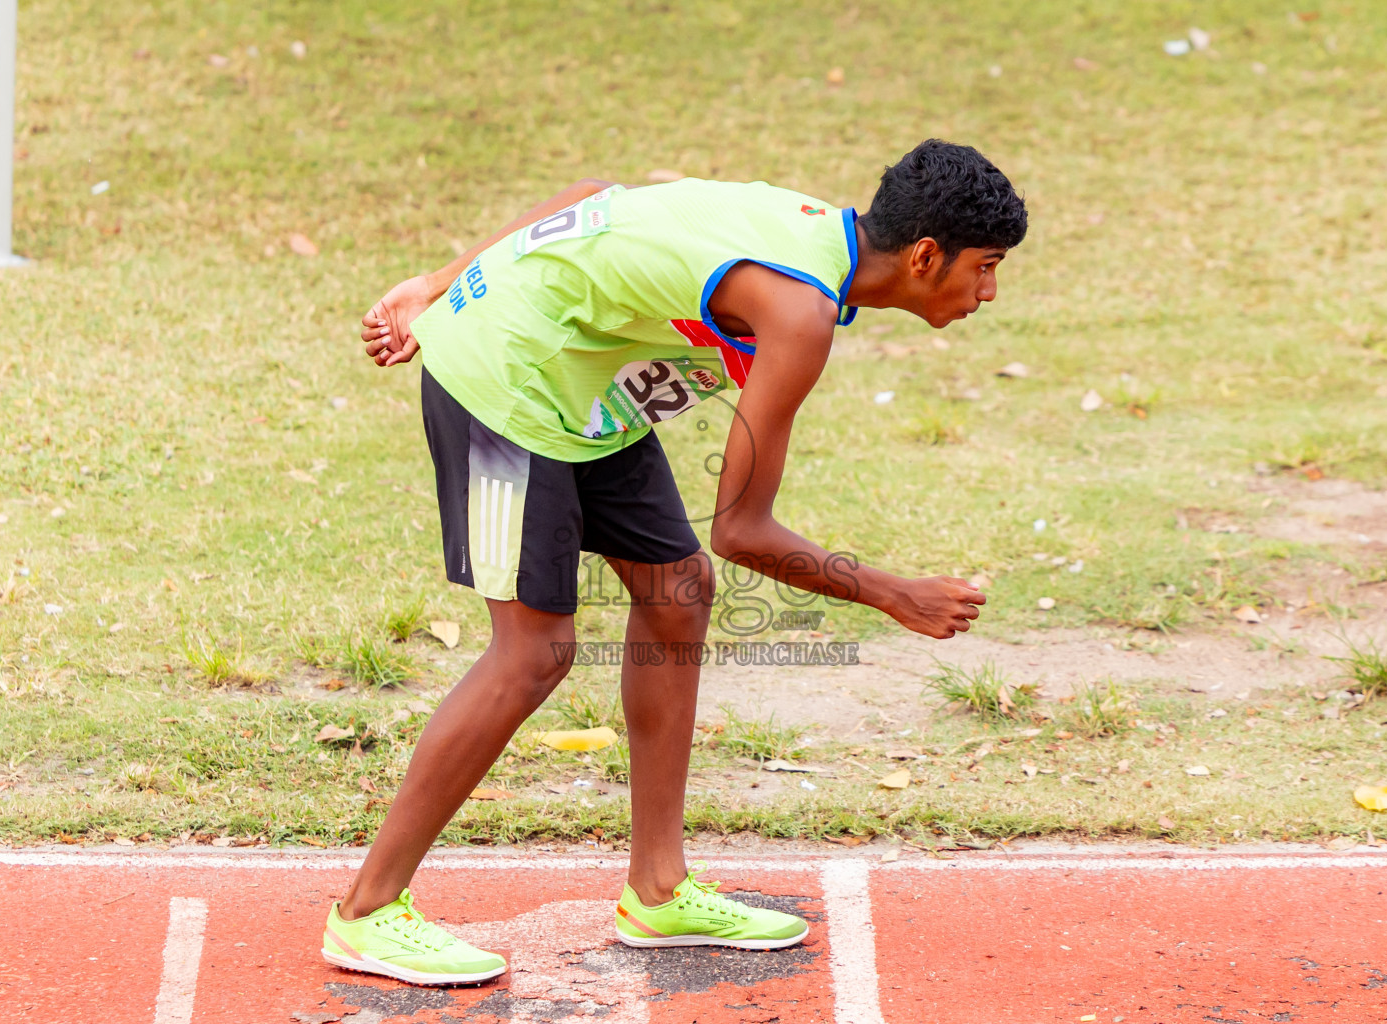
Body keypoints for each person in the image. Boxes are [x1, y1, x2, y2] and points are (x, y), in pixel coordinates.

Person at [321, 139, 1027, 985]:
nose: (989, 292)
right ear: (925, 256)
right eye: (985, 268)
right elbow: (742, 530)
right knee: (533, 653)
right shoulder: (799, 309)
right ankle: (366, 911)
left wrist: (433, 280)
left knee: (678, 591)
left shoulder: (812, 235)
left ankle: (657, 889)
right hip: (501, 381)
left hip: (587, 387)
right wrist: (892, 594)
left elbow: (590, 193)